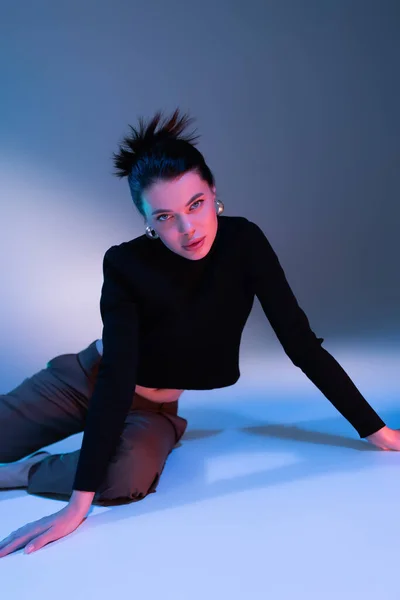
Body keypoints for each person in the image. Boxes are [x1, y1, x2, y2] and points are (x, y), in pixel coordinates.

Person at [0, 108, 398, 558]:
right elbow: (115, 378)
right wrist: (78, 505)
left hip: (154, 410)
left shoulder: (244, 244)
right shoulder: (126, 264)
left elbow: (301, 344)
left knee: (126, 479)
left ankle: (25, 472)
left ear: (213, 194)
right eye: (166, 217)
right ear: (148, 221)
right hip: (87, 380)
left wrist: (376, 430)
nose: (188, 229)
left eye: (196, 205)